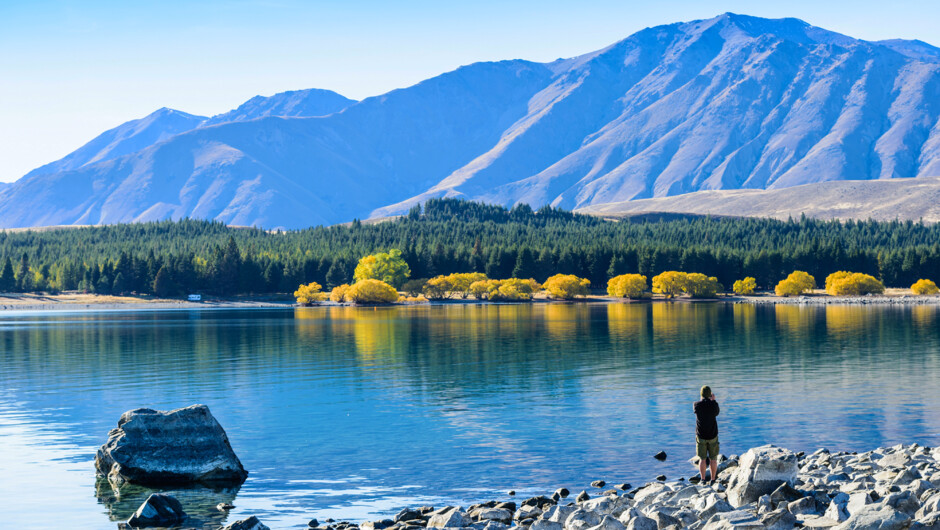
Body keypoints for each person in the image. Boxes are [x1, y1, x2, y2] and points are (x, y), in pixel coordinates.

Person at [694, 385, 720, 485]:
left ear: (701, 395)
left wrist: (703, 399)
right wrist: (713, 400)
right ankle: (713, 480)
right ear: (710, 394)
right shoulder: (714, 405)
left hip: (701, 436)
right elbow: (717, 412)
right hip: (713, 435)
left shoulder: (697, 405)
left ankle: (703, 480)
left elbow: (699, 408)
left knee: (702, 459)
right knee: (713, 459)